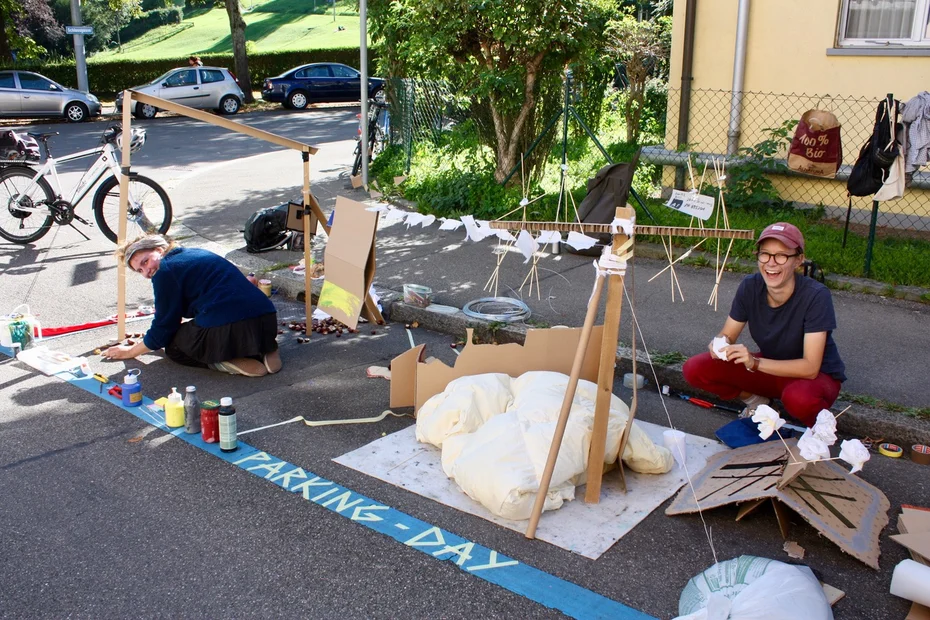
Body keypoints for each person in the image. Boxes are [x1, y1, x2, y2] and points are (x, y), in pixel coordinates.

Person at [682, 222, 845, 427]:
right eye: (765, 254)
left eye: (781, 255)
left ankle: (820, 431)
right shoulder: (750, 286)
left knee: (799, 399)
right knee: (695, 368)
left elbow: (810, 367)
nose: (771, 263)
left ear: (798, 260)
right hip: (770, 368)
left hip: (814, 377)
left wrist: (754, 363)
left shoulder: (816, 296)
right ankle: (757, 402)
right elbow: (728, 334)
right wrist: (720, 344)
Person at [104, 234, 282, 377]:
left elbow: (164, 328)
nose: (146, 272)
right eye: (140, 270)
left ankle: (224, 362)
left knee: (174, 347)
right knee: (209, 326)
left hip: (231, 327)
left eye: (145, 261)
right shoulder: (197, 253)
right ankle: (266, 348)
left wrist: (130, 352)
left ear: (159, 249)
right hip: (266, 320)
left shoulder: (165, 272)